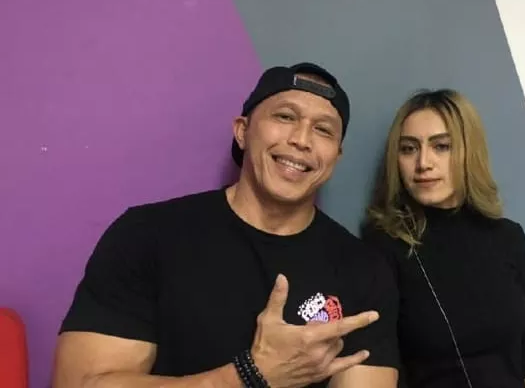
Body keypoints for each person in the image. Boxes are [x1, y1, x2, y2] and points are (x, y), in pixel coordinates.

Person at [53, 62, 400, 388]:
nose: (301, 139)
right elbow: (81, 383)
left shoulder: (364, 271)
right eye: (285, 116)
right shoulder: (145, 236)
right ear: (242, 131)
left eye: (323, 129)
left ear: (336, 157)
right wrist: (250, 375)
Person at [361, 89, 525, 388]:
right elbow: (382, 367)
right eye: (409, 148)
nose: (423, 162)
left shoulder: (508, 236)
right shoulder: (383, 246)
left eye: (441, 146)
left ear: (469, 151)